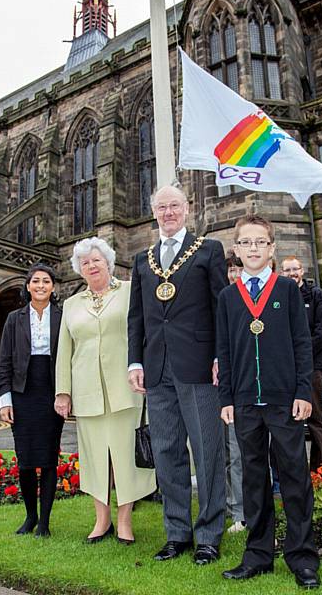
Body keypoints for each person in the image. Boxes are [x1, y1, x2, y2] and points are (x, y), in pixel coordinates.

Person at [217, 214, 320, 589]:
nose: (254, 248)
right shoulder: (228, 297)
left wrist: (302, 393)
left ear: (272, 248)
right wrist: (225, 397)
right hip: (244, 401)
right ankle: (258, 556)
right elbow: (224, 351)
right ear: (237, 249)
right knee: (253, 479)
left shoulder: (288, 291)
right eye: (246, 242)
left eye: (261, 242)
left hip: (283, 401)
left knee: (294, 476)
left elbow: (302, 343)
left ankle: (302, 558)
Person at [128, 184, 227, 565]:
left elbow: (222, 307)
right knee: (168, 453)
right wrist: (135, 362)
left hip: (200, 365)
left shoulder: (208, 250)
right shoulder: (142, 259)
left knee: (207, 451)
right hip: (157, 369)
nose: (168, 212)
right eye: (161, 207)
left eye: (174, 206)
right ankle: (177, 534)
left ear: (187, 209)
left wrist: (222, 356)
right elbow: (136, 316)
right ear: (154, 212)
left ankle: (209, 536)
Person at [55, 237, 156, 544]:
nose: (91, 266)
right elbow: (64, 350)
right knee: (94, 459)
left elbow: (146, 333)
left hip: (126, 389)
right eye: (85, 263)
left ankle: (124, 521)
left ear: (109, 262)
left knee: (126, 458)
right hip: (87, 392)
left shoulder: (129, 291)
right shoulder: (72, 304)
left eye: (96, 260)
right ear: (79, 270)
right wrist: (63, 391)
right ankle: (102, 521)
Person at [0, 263, 64, 537]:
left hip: (51, 393)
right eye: (35, 281)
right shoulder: (14, 318)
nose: (40, 286)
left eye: (45, 281)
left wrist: (66, 393)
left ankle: (45, 524)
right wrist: (5, 400)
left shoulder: (63, 316)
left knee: (48, 458)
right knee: (25, 460)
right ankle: (30, 517)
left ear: (53, 287)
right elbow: (5, 362)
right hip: (22, 394)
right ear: (27, 286)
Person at [281, 255, 322, 471]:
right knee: (289, 424)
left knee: (316, 421)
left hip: (311, 368)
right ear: (282, 273)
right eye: (287, 270)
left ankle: (318, 472)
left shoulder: (316, 295)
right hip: (285, 369)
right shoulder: (279, 296)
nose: (292, 273)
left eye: (295, 269)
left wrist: (300, 354)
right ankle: (295, 472)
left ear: (302, 271)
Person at [224, 250, 245, 534]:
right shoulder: (222, 299)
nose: (234, 274)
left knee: (240, 453)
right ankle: (232, 508)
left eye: (237, 269)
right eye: (230, 269)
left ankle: (242, 511)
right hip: (218, 386)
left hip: (244, 387)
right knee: (225, 454)